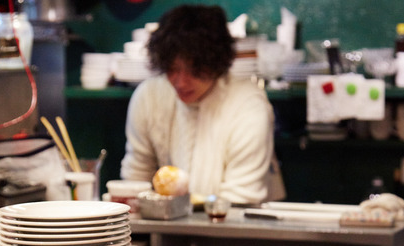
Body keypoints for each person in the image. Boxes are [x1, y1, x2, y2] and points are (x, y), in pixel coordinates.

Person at [120, 4, 285, 204]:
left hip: (239, 224)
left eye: (195, 70)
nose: (180, 82)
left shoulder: (248, 107)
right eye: (172, 69)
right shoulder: (149, 96)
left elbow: (240, 198)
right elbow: (136, 179)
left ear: (218, 63)